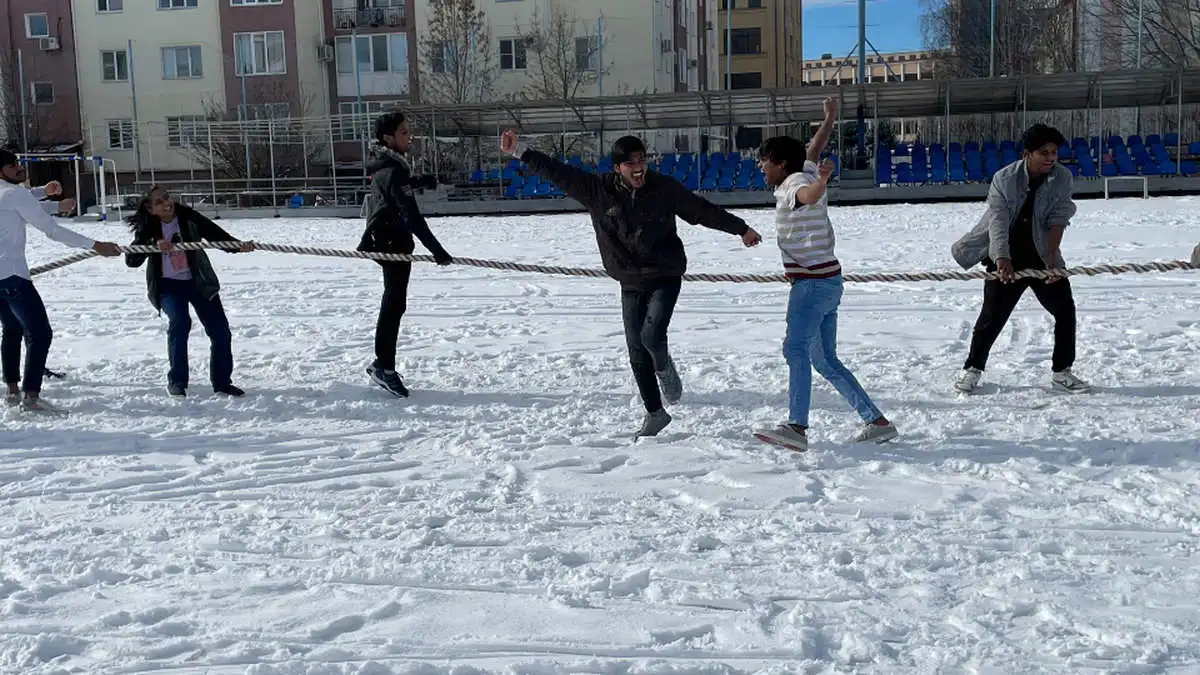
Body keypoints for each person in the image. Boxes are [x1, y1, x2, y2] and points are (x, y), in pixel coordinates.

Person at [499, 130, 762, 437]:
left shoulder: (662, 187)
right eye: (631, 163)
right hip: (630, 280)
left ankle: (664, 367)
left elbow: (701, 210)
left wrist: (741, 228)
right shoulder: (597, 190)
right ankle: (655, 413)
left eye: (642, 161)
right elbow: (558, 172)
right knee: (636, 349)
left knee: (651, 336)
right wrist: (520, 151)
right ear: (617, 168)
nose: (639, 168)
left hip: (664, 274)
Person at [750, 123, 898, 453]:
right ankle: (877, 422)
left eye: (764, 161)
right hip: (829, 282)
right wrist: (829, 119)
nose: (760, 166)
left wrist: (821, 183)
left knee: (795, 350)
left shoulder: (795, 184)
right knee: (825, 359)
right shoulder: (804, 170)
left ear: (781, 164)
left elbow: (808, 195)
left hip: (811, 285)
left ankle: (796, 427)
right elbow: (813, 150)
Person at [951, 123, 1090, 394]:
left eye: (1054, 152)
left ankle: (1062, 372)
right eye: (1044, 152)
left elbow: (1059, 218)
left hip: (1042, 254)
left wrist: (1051, 258)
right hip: (1005, 254)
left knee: (1065, 311)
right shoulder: (1004, 178)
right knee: (991, 317)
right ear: (1027, 154)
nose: (1051, 158)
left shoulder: (1062, 178)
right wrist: (1001, 258)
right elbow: (998, 221)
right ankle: (972, 369)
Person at [0, 148, 121, 412]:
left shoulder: (10, 193)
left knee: (12, 329)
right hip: (12, 276)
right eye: (13, 165)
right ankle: (31, 396)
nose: (19, 168)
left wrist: (46, 195)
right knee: (40, 333)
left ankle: (11, 390)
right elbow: (51, 230)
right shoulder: (15, 194)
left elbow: (20, 203)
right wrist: (95, 245)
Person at [125, 186, 254, 398]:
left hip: (199, 282)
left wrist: (239, 246)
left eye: (167, 197)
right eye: (159, 202)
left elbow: (216, 235)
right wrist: (152, 243)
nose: (166, 203)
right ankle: (177, 381)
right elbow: (132, 260)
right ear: (150, 209)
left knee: (220, 331)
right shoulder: (148, 227)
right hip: (168, 286)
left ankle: (222, 383)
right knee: (180, 322)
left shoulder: (188, 217)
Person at [359, 111, 454, 398]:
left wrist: (419, 181)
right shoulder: (394, 169)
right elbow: (412, 215)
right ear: (388, 138)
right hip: (391, 243)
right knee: (393, 303)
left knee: (394, 302)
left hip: (386, 239)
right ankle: (384, 368)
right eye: (403, 132)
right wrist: (438, 251)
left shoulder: (388, 164)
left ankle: (382, 364)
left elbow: (395, 192)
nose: (408, 136)